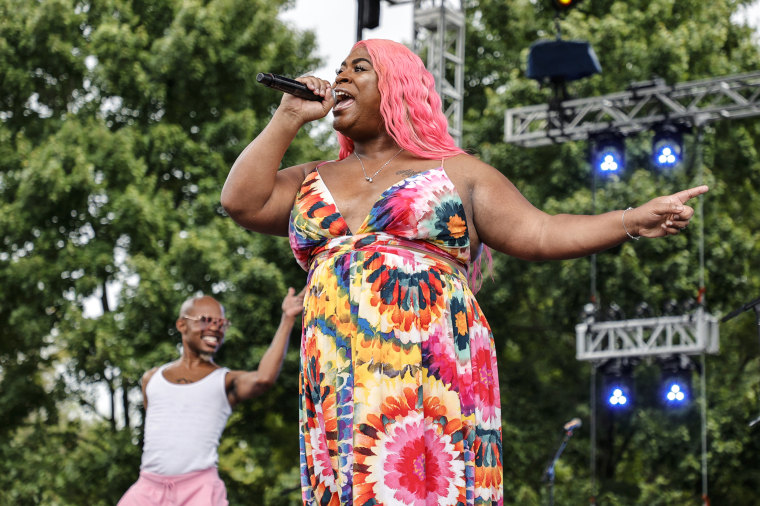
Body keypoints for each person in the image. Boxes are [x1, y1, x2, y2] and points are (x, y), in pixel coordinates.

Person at [220, 39, 708, 506]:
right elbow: (239, 200)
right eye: (339, 70)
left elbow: (540, 232)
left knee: (423, 484)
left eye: (359, 67)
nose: (341, 75)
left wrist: (630, 219)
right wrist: (287, 115)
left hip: (431, 366)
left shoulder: (454, 172)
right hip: (337, 376)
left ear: (398, 87)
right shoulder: (313, 176)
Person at [118, 288, 305, 506]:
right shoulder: (152, 379)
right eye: (206, 320)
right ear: (181, 325)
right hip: (148, 489)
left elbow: (263, 379)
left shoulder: (224, 381)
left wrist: (287, 318)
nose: (215, 327)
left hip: (198, 490)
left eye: (221, 323)